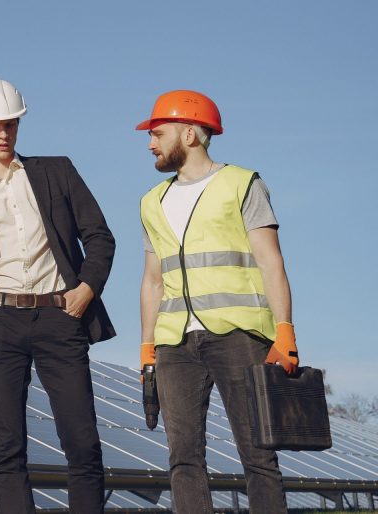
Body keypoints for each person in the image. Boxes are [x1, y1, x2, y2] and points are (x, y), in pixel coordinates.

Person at [0, 77, 116, 513]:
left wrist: (86, 289)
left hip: (62, 316)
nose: (3, 134)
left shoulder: (57, 172)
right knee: (7, 451)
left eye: (10, 125)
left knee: (82, 443)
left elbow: (100, 237)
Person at [136, 90, 299, 513]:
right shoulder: (151, 201)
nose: (150, 143)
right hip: (175, 344)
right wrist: (147, 346)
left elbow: (270, 260)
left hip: (240, 335)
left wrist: (285, 330)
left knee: (258, 455)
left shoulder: (243, 183)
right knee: (183, 459)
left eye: (158, 133)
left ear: (190, 133)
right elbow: (152, 280)